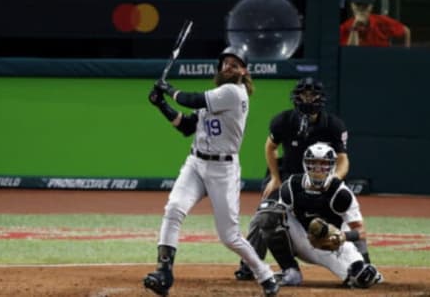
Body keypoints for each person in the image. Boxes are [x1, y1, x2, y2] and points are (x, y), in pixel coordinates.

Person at [142, 46, 280, 297]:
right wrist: (161, 104)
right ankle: (164, 273)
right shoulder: (216, 94)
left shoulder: (233, 93)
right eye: (226, 62)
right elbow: (186, 126)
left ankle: (265, 274)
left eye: (235, 64)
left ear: (243, 71)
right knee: (174, 208)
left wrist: (168, 89)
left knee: (229, 236)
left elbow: (190, 99)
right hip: (196, 164)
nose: (229, 66)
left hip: (223, 170)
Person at [235, 76, 369, 282]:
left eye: (312, 94)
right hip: (288, 178)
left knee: (344, 215)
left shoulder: (334, 125)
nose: (307, 99)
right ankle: (250, 265)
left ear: (320, 98)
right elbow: (270, 148)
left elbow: (343, 159)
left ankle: (365, 262)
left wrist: (333, 181)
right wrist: (274, 178)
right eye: (304, 94)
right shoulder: (283, 120)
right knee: (265, 213)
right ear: (296, 97)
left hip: (322, 181)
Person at [249, 142, 384, 288]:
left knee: (363, 278)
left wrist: (343, 237)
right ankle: (290, 270)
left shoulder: (341, 194)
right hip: (302, 239)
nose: (318, 168)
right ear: (305, 165)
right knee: (268, 214)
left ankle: (361, 268)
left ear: (332, 166)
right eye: (313, 163)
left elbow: (360, 231)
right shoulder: (292, 186)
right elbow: (272, 218)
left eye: (323, 164)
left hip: (333, 244)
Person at [340, 0, 411, 47]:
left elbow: (406, 30)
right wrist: (355, 27)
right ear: (352, 6)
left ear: (371, 7)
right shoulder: (344, 28)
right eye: (358, 5)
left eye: (365, 6)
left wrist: (405, 55)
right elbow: (351, 55)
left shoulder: (382, 21)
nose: (361, 9)